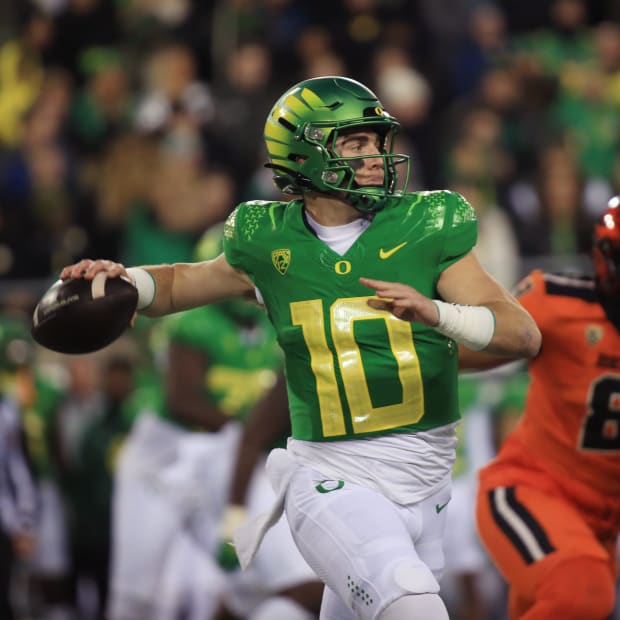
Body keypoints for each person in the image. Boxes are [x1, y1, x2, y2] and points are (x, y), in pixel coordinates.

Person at [60, 75, 541, 620]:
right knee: (412, 604)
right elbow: (178, 283)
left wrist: (440, 314)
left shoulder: (426, 225)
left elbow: (521, 334)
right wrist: (122, 280)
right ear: (306, 155)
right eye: (355, 143)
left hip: (427, 485)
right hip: (333, 478)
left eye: (377, 142)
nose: (376, 157)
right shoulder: (266, 240)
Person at [107, 224, 321, 620]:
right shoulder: (196, 320)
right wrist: (253, 423)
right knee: (138, 597)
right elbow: (183, 399)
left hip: (227, 451)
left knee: (258, 576)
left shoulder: (279, 320)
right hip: (163, 457)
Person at [468, 196, 620, 620]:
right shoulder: (558, 303)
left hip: (600, 526)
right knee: (581, 592)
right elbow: (463, 351)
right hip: (532, 491)